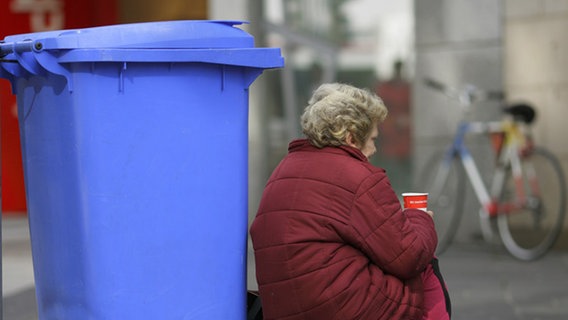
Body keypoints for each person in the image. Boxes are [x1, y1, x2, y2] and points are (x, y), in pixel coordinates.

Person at [250, 83, 451, 319]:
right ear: (351, 137)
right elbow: (409, 256)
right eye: (373, 139)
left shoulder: (283, 169)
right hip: (344, 309)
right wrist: (419, 218)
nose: (375, 149)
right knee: (425, 264)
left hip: (287, 309)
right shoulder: (357, 176)